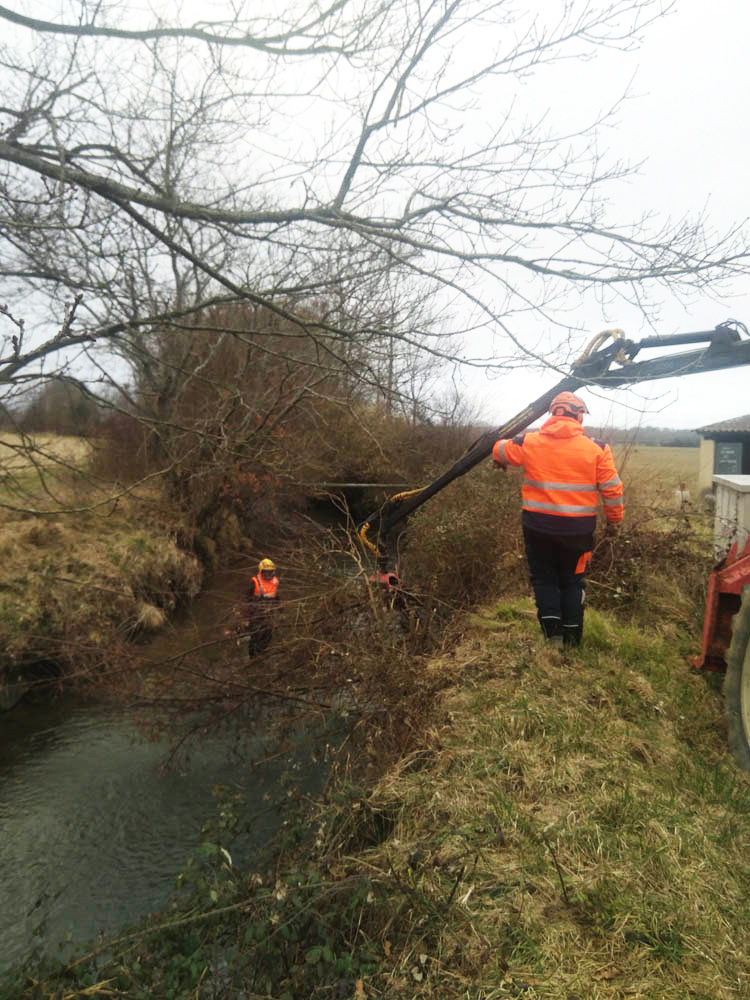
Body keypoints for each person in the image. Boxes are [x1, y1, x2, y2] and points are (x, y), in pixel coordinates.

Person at [492, 391, 623, 649]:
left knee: (544, 579)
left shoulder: (529, 442)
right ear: (578, 415)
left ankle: (553, 638)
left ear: (553, 413)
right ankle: (573, 640)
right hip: (578, 533)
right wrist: (614, 522)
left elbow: (498, 448)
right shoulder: (598, 449)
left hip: (537, 528)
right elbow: (612, 490)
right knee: (573, 581)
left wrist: (499, 458)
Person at [243, 557, 280, 656]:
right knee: (255, 635)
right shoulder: (255, 582)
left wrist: (280, 610)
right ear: (261, 572)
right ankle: (252, 656)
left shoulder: (275, 582)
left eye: (270, 572)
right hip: (256, 613)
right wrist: (246, 615)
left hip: (269, 612)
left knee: (268, 634)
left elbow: (277, 597)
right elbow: (245, 598)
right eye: (266, 572)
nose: (268, 575)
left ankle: (261, 652)